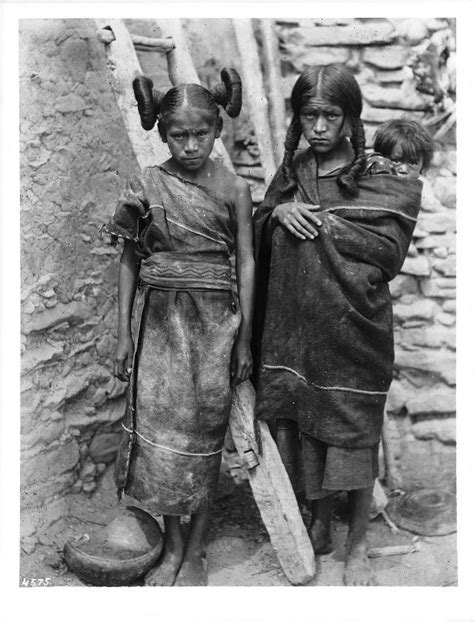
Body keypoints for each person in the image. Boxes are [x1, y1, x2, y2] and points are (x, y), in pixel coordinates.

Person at [252, 64, 422, 586]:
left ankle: (359, 544)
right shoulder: (295, 172)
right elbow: (260, 225)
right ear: (297, 120)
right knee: (305, 424)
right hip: (299, 331)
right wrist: (279, 215)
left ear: (351, 118)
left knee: (352, 430)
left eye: (331, 115)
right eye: (309, 116)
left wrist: (326, 225)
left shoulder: (380, 178)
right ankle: (320, 522)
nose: (320, 127)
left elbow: (389, 251)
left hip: (354, 327)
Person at [103, 68, 255, 586]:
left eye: (201, 133)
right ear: (161, 133)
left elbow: (247, 263)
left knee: (206, 433)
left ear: (218, 129)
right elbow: (127, 259)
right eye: (178, 135)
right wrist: (123, 333)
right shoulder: (147, 183)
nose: (190, 145)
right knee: (160, 435)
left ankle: (196, 551)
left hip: (216, 325)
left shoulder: (236, 188)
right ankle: (171, 545)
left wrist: (244, 339)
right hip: (160, 324)